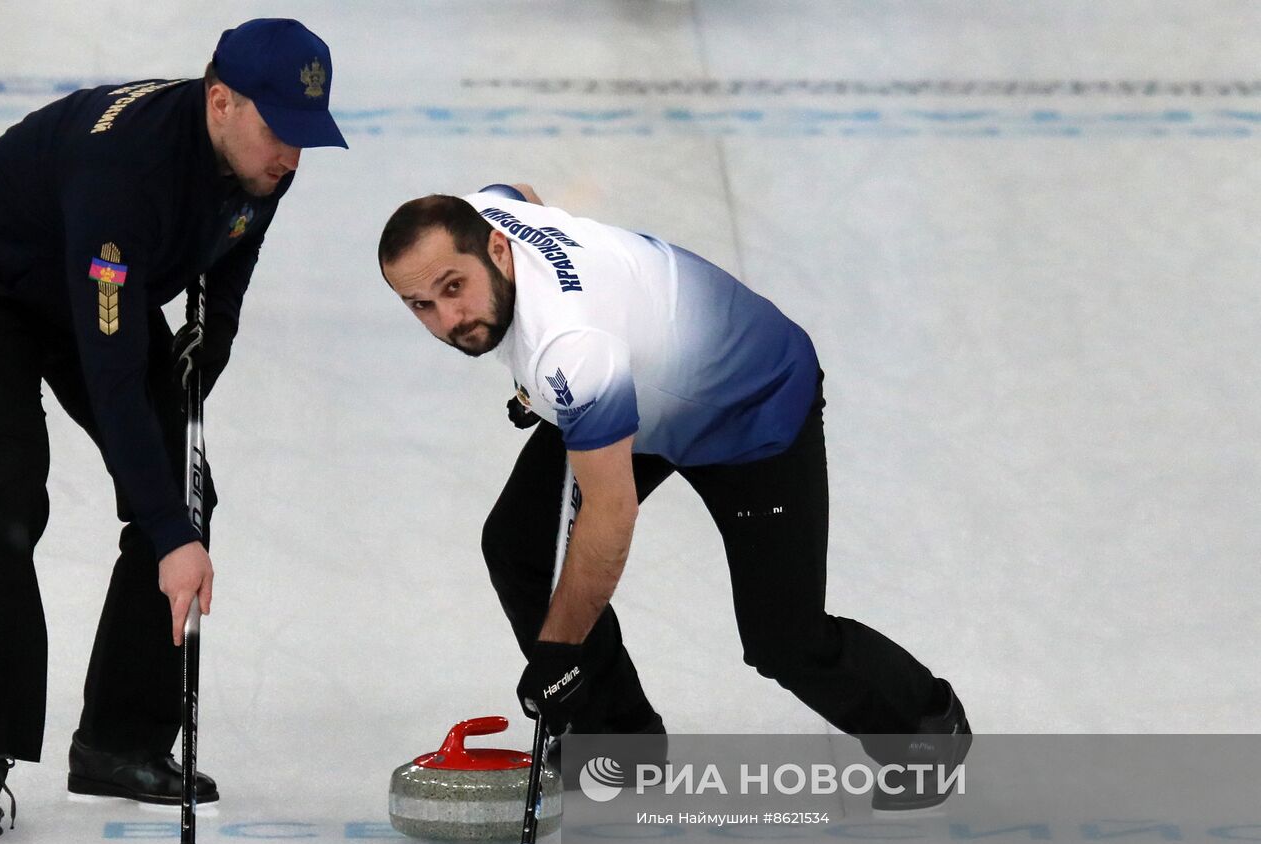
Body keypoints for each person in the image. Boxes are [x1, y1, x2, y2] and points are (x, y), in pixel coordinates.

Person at [377, 184, 970, 810]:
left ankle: (926, 730)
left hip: (750, 406)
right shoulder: (488, 214)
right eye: (421, 305)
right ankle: (618, 741)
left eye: (454, 287)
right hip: (635, 387)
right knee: (519, 543)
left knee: (784, 640)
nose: (448, 319)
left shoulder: (570, 345)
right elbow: (519, 192)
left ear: (498, 251)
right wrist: (538, 386)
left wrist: (560, 652)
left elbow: (610, 516)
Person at [0, 18, 348, 839]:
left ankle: (118, 742)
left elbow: (230, 259)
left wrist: (208, 348)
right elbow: (111, 375)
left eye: (305, 136)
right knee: (11, 493)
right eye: (280, 131)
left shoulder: (263, 162)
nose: (291, 157)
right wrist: (172, 536)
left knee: (181, 491)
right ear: (221, 101)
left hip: (96, 290)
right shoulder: (125, 171)